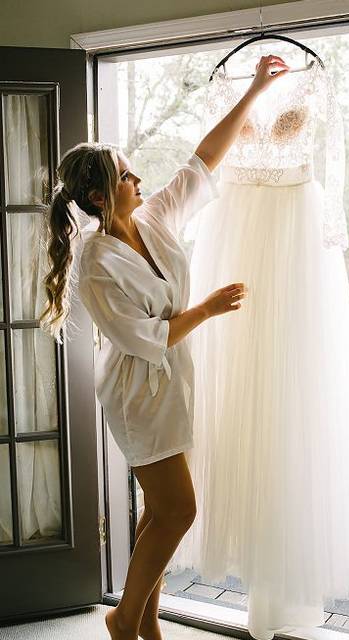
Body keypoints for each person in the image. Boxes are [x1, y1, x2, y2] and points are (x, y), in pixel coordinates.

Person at [38, 55, 290, 640]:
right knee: (180, 510)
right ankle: (124, 618)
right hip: (137, 398)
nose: (139, 181)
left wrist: (253, 91)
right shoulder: (96, 265)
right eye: (127, 176)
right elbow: (145, 338)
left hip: (173, 386)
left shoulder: (152, 220)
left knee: (158, 511)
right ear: (101, 197)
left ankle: (146, 622)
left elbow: (202, 162)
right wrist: (205, 309)